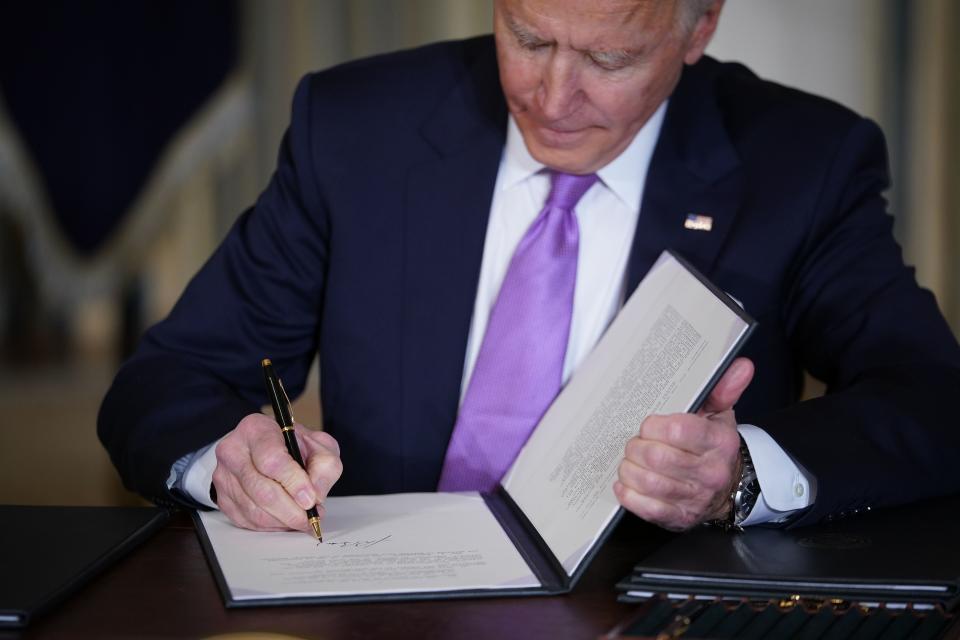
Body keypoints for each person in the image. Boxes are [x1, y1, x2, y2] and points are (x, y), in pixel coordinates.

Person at [99, 0, 960, 537]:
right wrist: (229, 458)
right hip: (382, 614)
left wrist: (740, 474)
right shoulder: (358, 127)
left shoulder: (801, 163)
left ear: (699, 27)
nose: (553, 98)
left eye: (609, 60)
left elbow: (931, 398)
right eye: (529, 37)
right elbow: (170, 378)